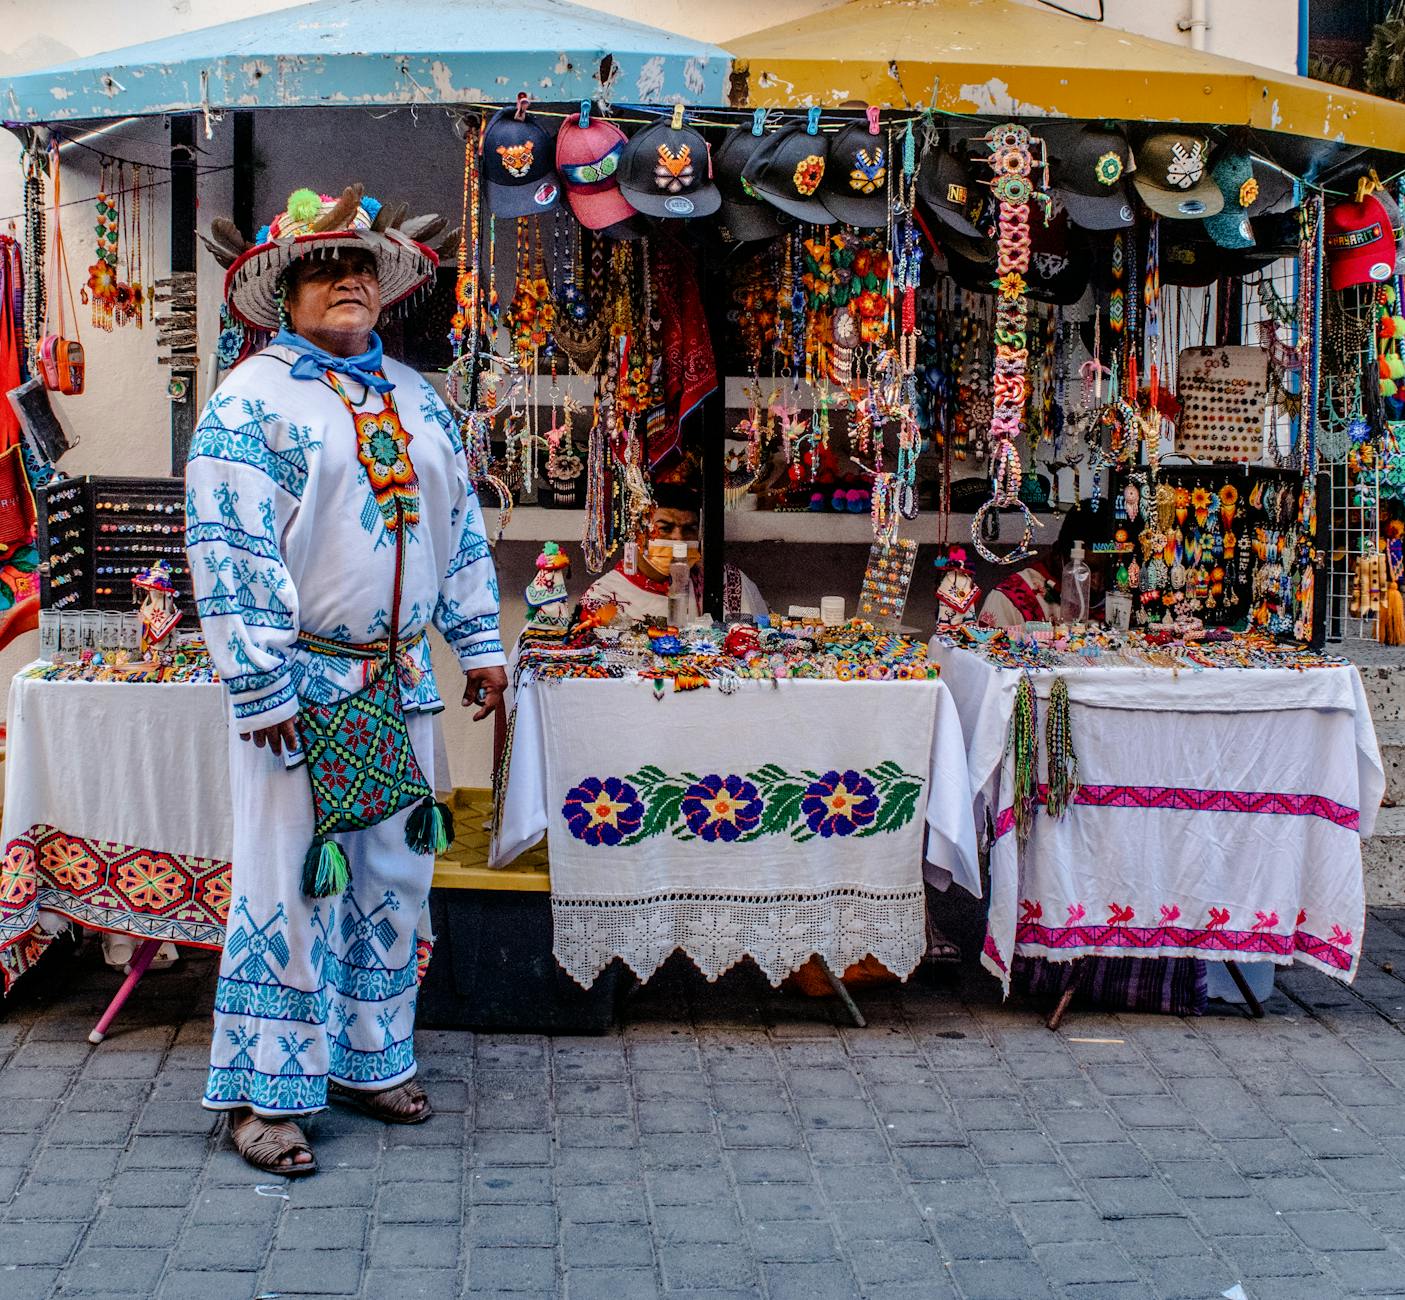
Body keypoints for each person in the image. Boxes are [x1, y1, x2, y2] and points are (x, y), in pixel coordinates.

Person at [187, 185, 505, 1176]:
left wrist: (481, 639)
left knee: (396, 879)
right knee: (289, 887)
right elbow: (227, 546)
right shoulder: (249, 402)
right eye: (327, 268)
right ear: (286, 288)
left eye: (364, 267)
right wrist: (259, 681)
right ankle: (264, 1095)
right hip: (304, 690)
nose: (350, 281)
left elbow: (459, 531)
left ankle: (369, 1057)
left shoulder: (420, 400)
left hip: (401, 686)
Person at [581, 483, 767, 622]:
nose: (678, 538)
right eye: (665, 528)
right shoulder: (602, 596)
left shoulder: (728, 581)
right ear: (637, 533)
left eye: (689, 529)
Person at [978, 499, 1108, 627]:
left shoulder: (1118, 602)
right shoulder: (1007, 602)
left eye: (1107, 571)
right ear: (1058, 554)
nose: (1097, 584)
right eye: (1084, 570)